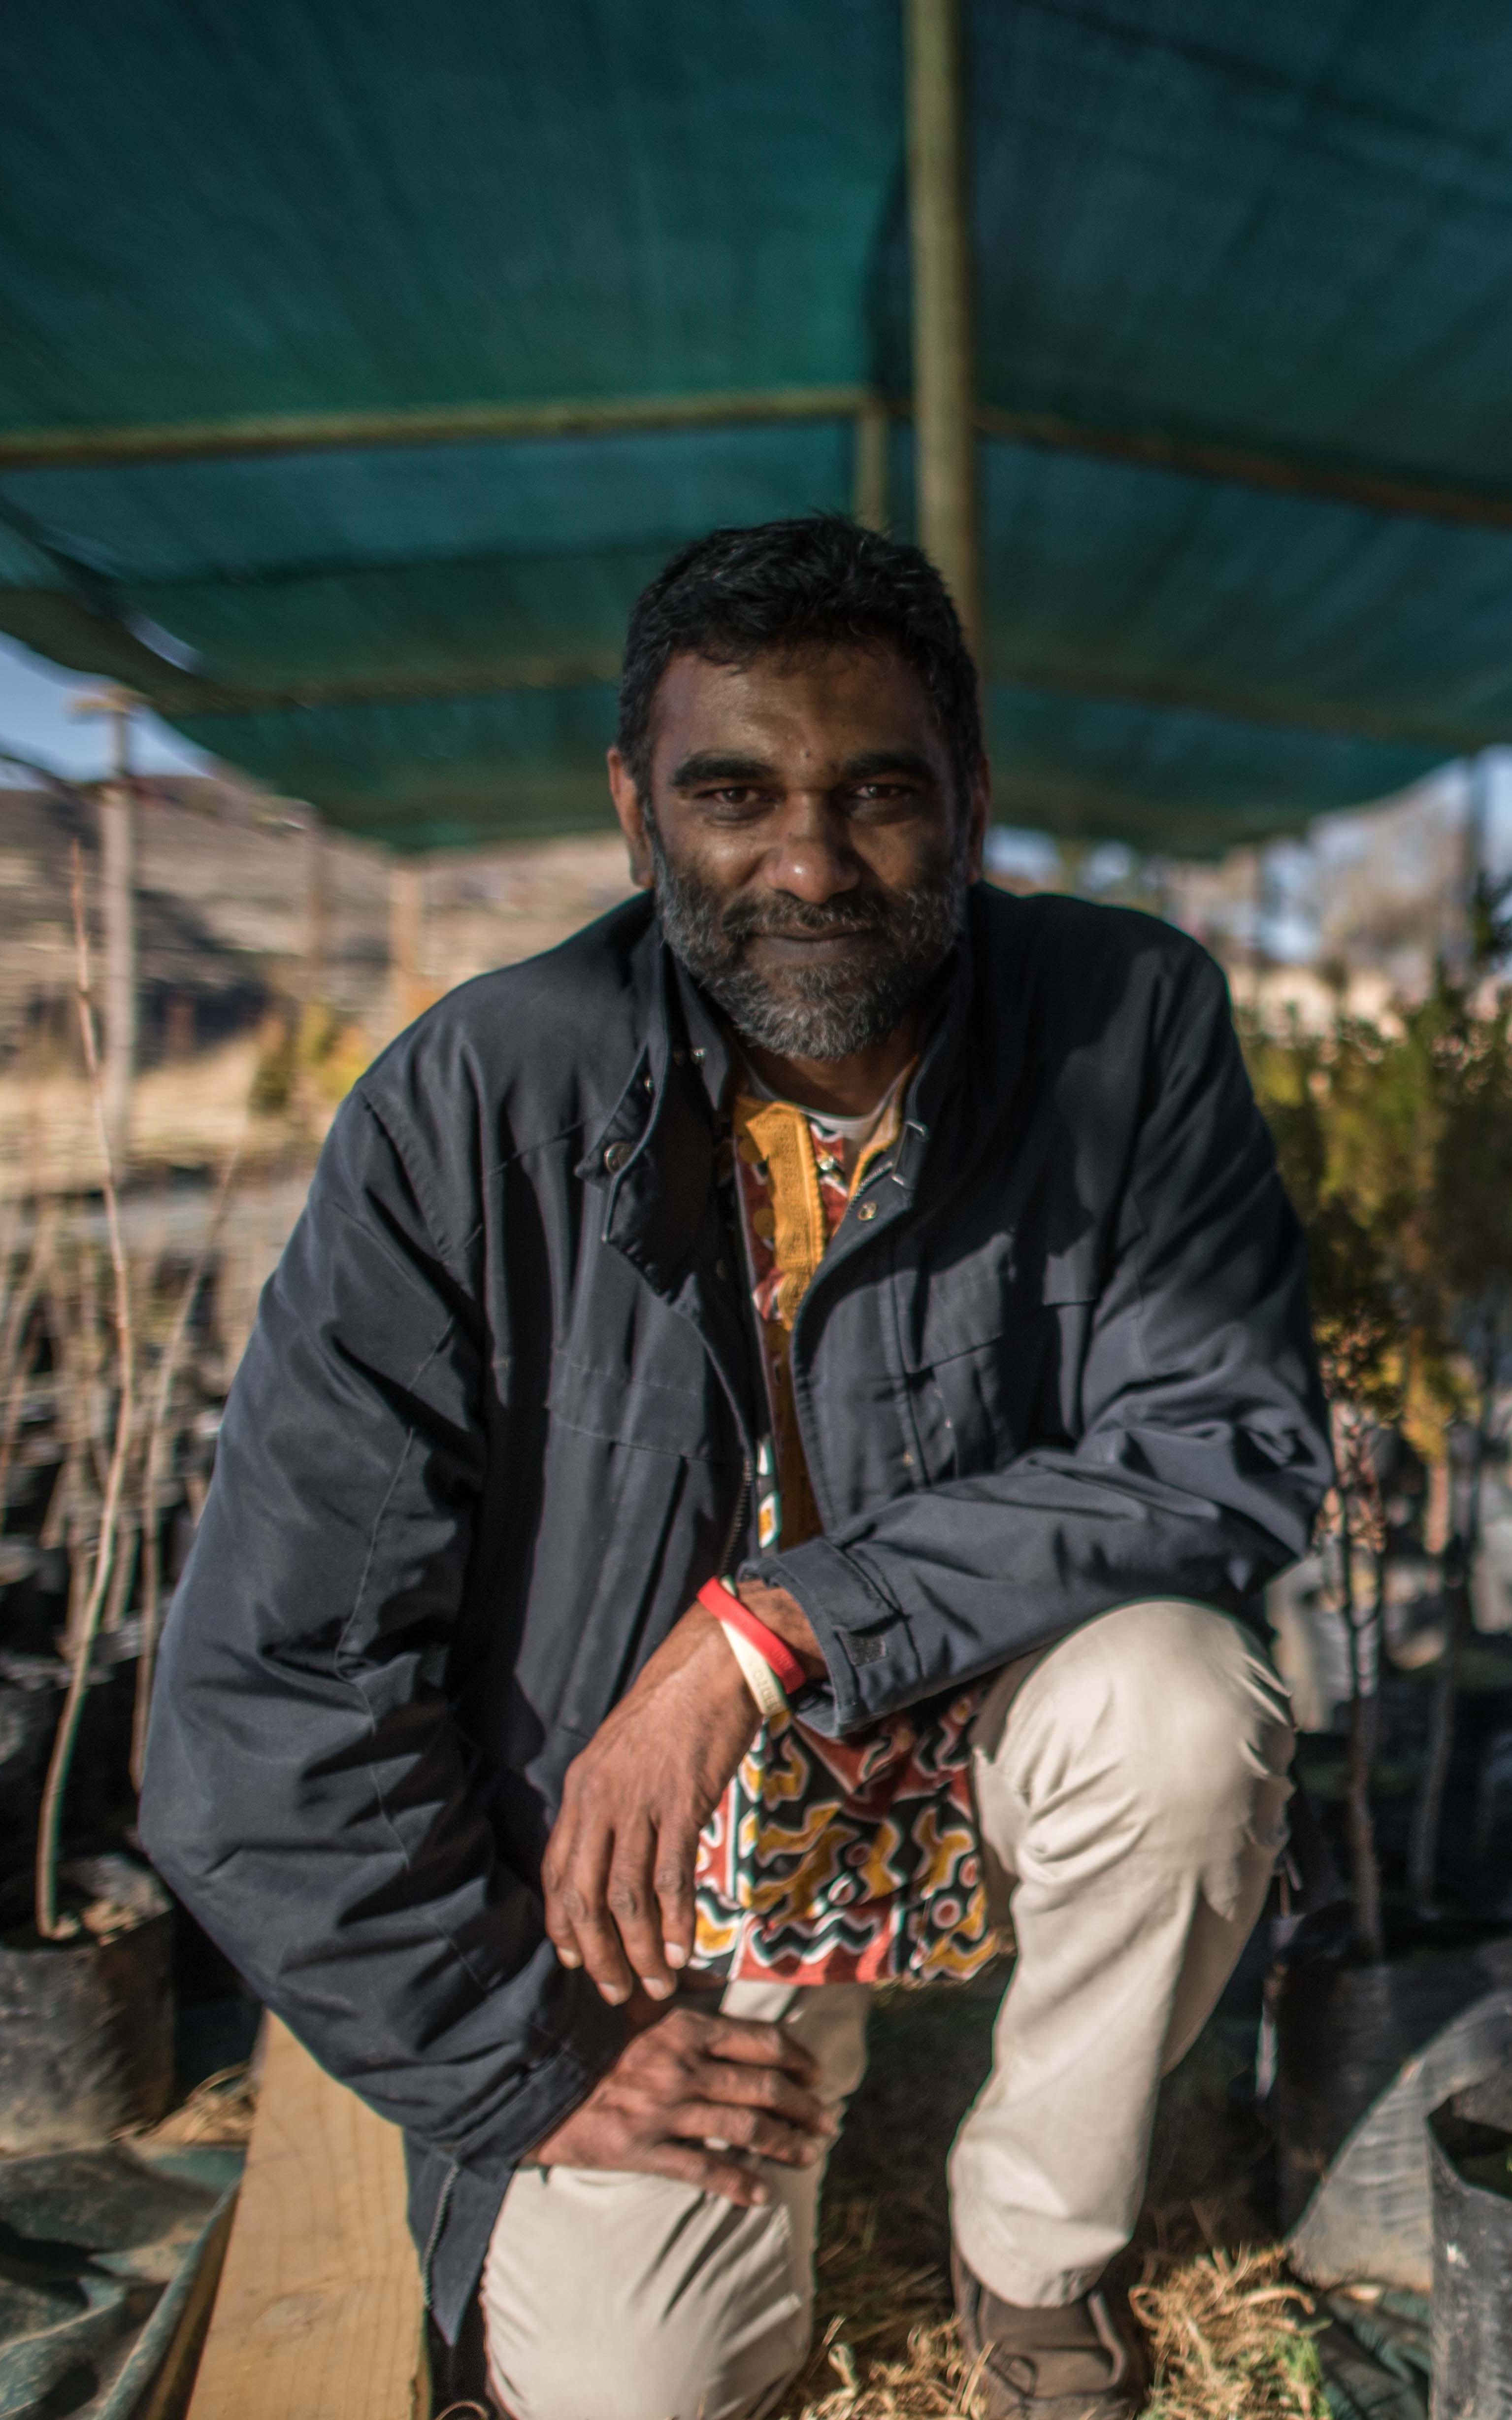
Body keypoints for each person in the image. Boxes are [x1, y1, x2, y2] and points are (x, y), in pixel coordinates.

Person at [140, 515, 1328, 2420]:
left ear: (970, 797)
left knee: (1186, 1711)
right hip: (640, 1864)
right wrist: (527, 2056)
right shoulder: (477, 1102)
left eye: (879, 793)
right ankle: (766, 2082)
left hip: (965, 1718)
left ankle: (1036, 2259)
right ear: (633, 808)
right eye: (732, 792)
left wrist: (770, 1623)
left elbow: (1229, 1444)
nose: (808, 860)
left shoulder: (1124, 1020)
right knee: (635, 2389)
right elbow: (254, 1704)